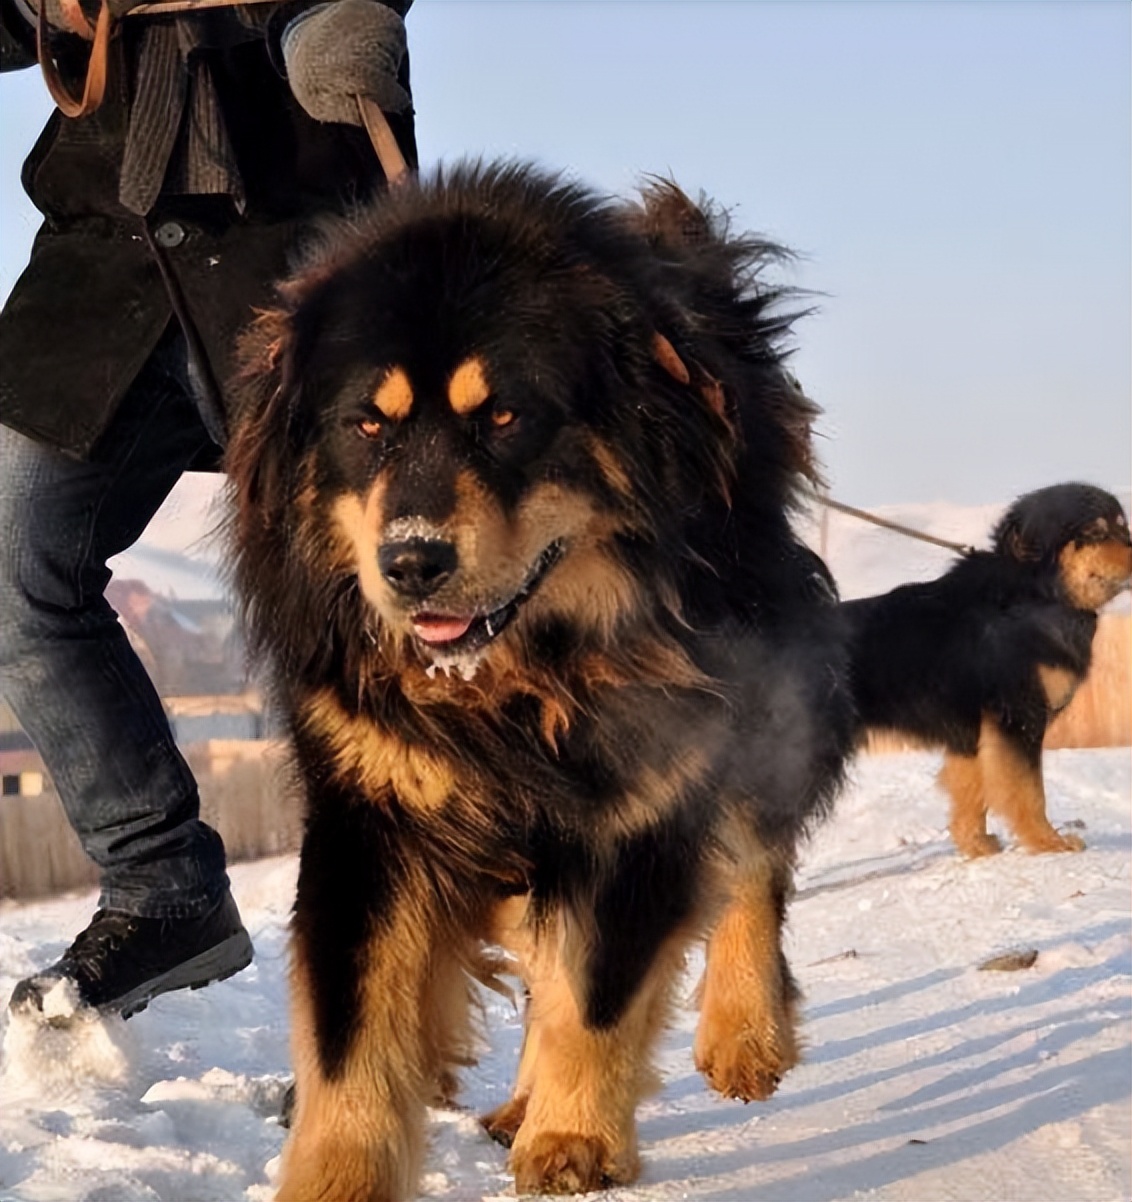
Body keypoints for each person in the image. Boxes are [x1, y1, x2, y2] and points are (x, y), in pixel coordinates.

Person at [0, 0, 416, 1018]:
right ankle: (163, 887)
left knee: (373, 623)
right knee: (15, 566)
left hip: (301, 256)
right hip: (102, 266)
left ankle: (389, 996)